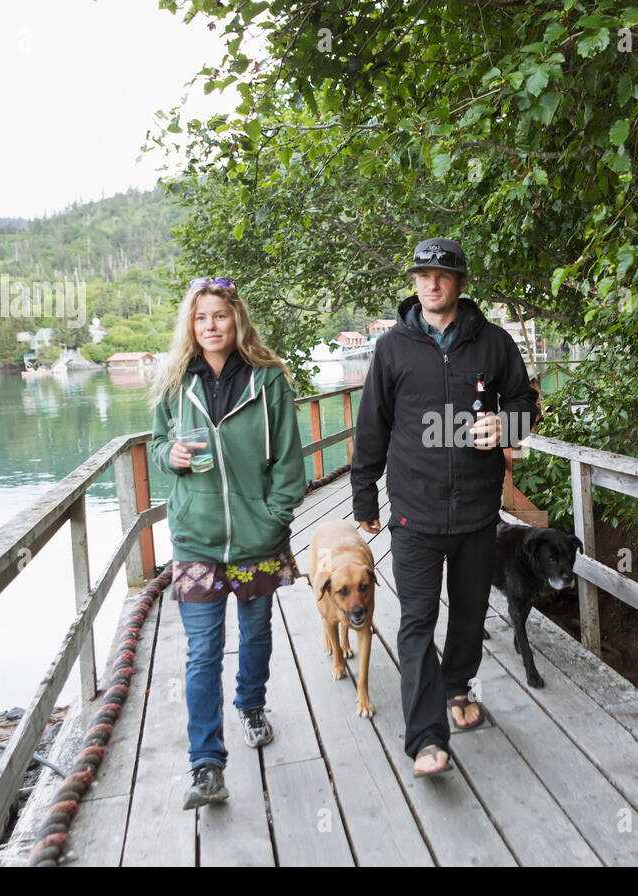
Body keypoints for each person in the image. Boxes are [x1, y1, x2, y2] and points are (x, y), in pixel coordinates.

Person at [352, 238, 541, 777]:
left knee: (469, 610)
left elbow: (528, 401)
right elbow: (373, 427)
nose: (431, 284)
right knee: (417, 620)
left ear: (460, 283)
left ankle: (459, 687)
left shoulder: (493, 343)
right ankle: (426, 738)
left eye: (442, 275)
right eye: (422, 275)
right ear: (415, 283)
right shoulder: (392, 349)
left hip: (479, 512)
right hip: (413, 512)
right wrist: (365, 493)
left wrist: (509, 426)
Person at [148, 277, 306, 809]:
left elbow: (288, 459)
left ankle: (252, 703)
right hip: (196, 539)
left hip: (256, 540)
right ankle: (207, 765)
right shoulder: (174, 382)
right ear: (190, 326)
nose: (210, 325)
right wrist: (168, 455)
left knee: (256, 633)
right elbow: (155, 447)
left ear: (237, 319)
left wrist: (273, 518)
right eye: (200, 318)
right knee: (201, 654)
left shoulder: (269, 380)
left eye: (219, 315)